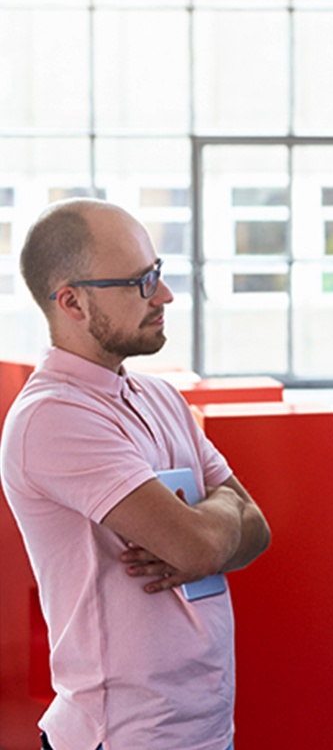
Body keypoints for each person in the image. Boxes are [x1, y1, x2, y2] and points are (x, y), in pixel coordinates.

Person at [0, 198, 271, 750]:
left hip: (203, 725)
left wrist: (208, 530)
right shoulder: (52, 416)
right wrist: (215, 522)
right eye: (139, 283)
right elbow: (199, 548)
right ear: (71, 302)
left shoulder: (161, 398)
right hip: (122, 735)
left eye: (159, 274)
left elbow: (258, 530)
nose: (165, 296)